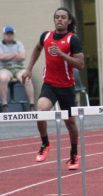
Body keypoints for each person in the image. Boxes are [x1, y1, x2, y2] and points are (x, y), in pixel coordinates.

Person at [22, 7, 84, 170]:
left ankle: (74, 153)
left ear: (69, 21)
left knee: (70, 122)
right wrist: (29, 69)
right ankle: (45, 143)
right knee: (40, 111)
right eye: (57, 17)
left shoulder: (73, 40)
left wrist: (62, 54)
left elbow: (80, 64)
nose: (60, 20)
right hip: (49, 84)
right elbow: (37, 48)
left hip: (66, 86)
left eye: (63, 17)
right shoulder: (46, 36)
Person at [0, 26, 35, 112]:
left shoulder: (19, 44)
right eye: (7, 34)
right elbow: (1, 57)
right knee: (2, 78)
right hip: (5, 68)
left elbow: (22, 56)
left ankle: (32, 105)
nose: (9, 35)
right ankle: (4, 105)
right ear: (4, 34)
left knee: (27, 78)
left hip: (19, 68)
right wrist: (15, 54)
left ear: (13, 35)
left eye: (11, 34)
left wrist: (7, 56)